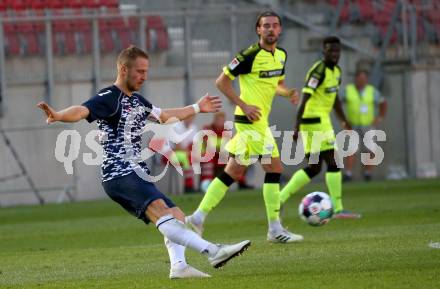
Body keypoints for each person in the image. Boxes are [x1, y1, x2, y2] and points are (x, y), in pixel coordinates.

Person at [36, 46, 250, 279]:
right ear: (123, 69)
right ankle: (213, 251)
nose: (144, 76)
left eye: (146, 71)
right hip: (119, 173)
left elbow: (165, 116)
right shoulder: (109, 98)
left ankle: (179, 266)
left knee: (176, 214)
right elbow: (81, 110)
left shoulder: (138, 101)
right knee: (161, 213)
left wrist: (197, 108)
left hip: (136, 171)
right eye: (139, 71)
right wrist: (58, 115)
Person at [186, 11, 304, 243]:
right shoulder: (249, 54)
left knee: (233, 172)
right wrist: (243, 104)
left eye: (275, 25)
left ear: (280, 30)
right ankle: (275, 229)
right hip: (250, 120)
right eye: (265, 26)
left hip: (259, 121)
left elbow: (276, 83)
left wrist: (286, 92)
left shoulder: (281, 55)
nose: (271, 29)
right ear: (258, 30)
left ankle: (198, 217)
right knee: (275, 169)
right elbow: (221, 81)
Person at [279, 36, 361, 219]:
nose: (334, 54)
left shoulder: (337, 72)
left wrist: (343, 120)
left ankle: (279, 198)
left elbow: (335, 98)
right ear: (323, 51)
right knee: (334, 161)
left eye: (337, 51)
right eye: (330, 51)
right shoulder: (319, 71)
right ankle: (338, 209)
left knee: (315, 167)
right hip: (312, 121)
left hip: (322, 121)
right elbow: (305, 99)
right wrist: (296, 126)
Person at [341, 69, 387, 181]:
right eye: (360, 78)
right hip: (353, 125)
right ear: (355, 79)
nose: (362, 81)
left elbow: (383, 102)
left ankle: (368, 173)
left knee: (370, 150)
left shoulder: (372, 91)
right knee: (351, 150)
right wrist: (343, 120)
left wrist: (379, 117)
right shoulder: (348, 90)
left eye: (364, 79)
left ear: (366, 80)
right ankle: (348, 174)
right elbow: (337, 103)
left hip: (368, 124)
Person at [199, 111, 252, 190]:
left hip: (223, 156)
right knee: (207, 158)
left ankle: (242, 183)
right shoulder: (208, 129)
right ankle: (206, 184)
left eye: (222, 120)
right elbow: (207, 145)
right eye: (218, 120)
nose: (220, 122)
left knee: (240, 158)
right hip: (210, 156)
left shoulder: (226, 130)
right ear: (215, 120)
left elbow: (231, 145)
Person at [171, 115, 198, 192]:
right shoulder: (176, 127)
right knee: (188, 157)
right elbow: (176, 146)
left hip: (186, 153)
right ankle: (188, 186)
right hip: (171, 153)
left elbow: (194, 144)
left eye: (191, 117)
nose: (189, 119)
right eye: (188, 117)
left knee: (205, 158)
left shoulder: (193, 127)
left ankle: (204, 185)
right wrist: (189, 152)